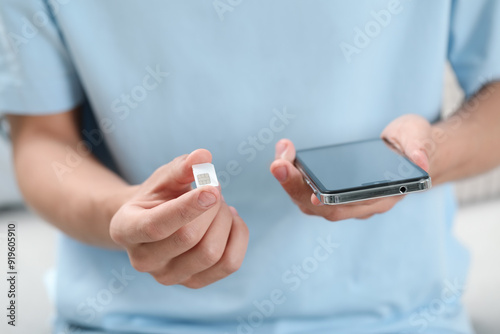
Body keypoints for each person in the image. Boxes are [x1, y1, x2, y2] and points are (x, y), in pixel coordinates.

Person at [1, 1, 499, 333]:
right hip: (128, 318)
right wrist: (128, 216)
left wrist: (428, 154)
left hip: (398, 315)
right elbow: (42, 138)